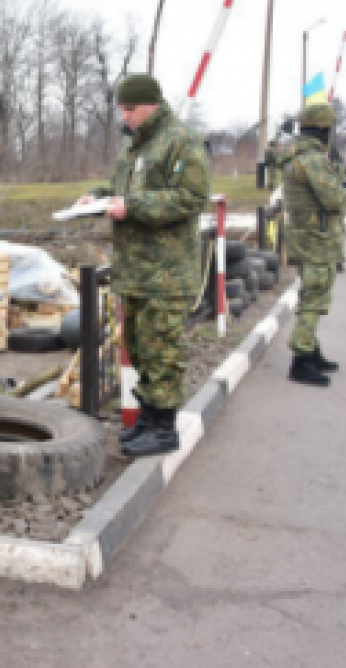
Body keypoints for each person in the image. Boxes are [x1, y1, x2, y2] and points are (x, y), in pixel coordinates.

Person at [82, 74, 211, 458]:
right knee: (138, 345)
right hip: (136, 269)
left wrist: (132, 208)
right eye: (122, 109)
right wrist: (101, 197)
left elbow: (191, 197)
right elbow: (127, 191)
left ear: (151, 104)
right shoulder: (134, 148)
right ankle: (149, 416)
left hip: (167, 270)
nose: (126, 116)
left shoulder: (180, 141)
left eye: (131, 108)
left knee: (161, 349)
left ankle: (163, 425)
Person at [283, 101, 346, 386]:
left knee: (311, 294)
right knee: (314, 298)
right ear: (324, 130)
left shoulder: (299, 154)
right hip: (316, 240)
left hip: (307, 236)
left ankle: (311, 350)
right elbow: (334, 199)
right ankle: (301, 359)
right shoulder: (313, 159)